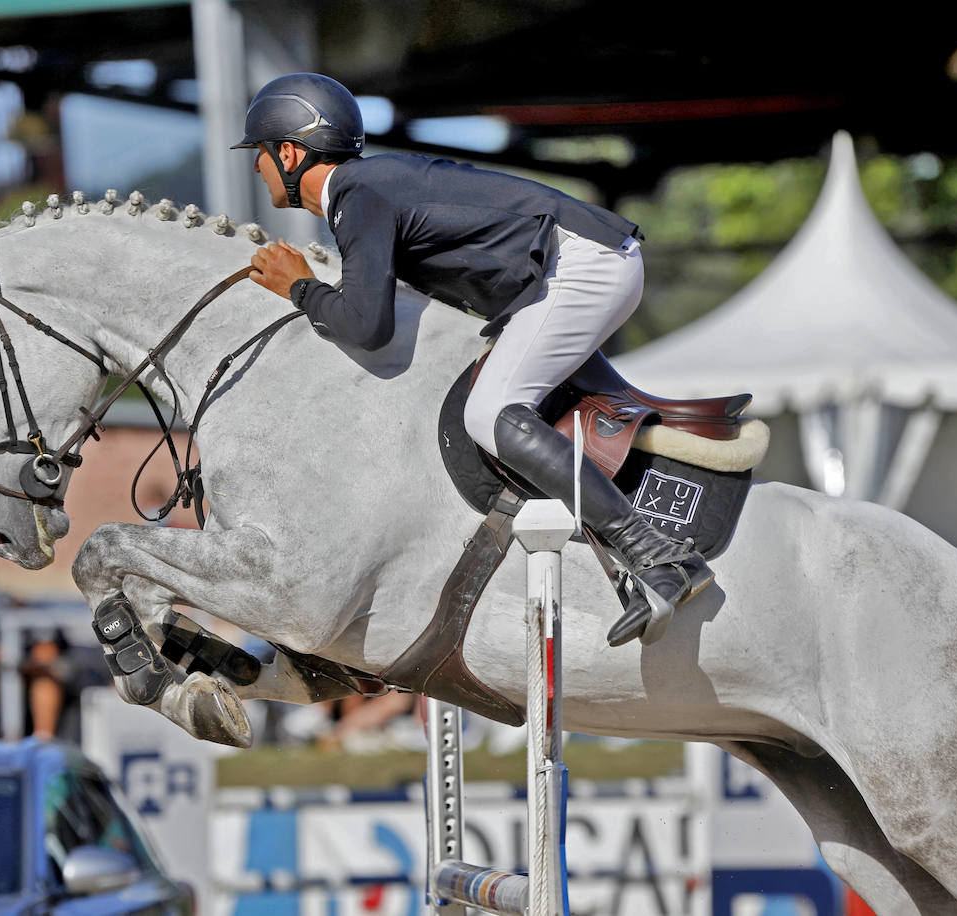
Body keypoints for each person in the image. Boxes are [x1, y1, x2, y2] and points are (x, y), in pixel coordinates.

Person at [236, 73, 712, 646]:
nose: (256, 169)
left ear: (287, 153)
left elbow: (367, 326)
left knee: (490, 412)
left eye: (259, 156)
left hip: (580, 264)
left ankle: (656, 555)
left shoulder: (355, 194)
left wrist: (300, 288)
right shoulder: (368, 187)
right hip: (577, 263)